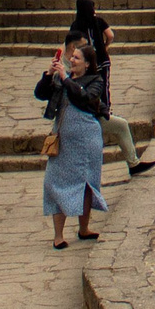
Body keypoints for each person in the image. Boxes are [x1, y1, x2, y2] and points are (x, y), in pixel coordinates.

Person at [35, 34, 110, 248]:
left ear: (87, 64)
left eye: (77, 58)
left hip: (87, 140)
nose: (73, 61)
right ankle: (58, 235)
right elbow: (40, 94)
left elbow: (84, 98)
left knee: (86, 183)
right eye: (72, 57)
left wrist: (66, 79)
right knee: (55, 182)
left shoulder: (95, 81)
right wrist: (49, 75)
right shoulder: (61, 77)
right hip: (64, 141)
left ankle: (84, 228)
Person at [69, 0, 151, 176]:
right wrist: (104, 48)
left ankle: (133, 163)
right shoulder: (98, 22)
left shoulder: (75, 28)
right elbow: (111, 35)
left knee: (118, 122)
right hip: (82, 121)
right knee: (105, 96)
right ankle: (131, 163)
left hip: (88, 114)